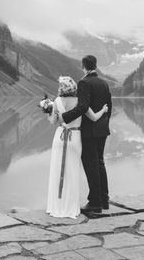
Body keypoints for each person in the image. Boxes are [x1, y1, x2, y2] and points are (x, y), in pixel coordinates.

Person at [45, 76, 108, 218]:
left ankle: (56, 206)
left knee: (57, 170)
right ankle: (71, 206)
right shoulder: (81, 101)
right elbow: (94, 118)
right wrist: (103, 110)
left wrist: (48, 111)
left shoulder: (56, 101)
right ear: (74, 88)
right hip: (75, 138)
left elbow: (52, 122)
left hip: (59, 138)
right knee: (72, 172)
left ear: (61, 88)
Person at [58, 55, 112, 214]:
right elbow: (109, 106)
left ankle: (95, 203)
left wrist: (65, 118)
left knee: (91, 166)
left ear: (83, 66)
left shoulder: (84, 83)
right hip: (102, 130)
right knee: (100, 163)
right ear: (95, 66)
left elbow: (83, 106)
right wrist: (104, 124)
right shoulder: (104, 83)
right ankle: (104, 199)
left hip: (89, 132)